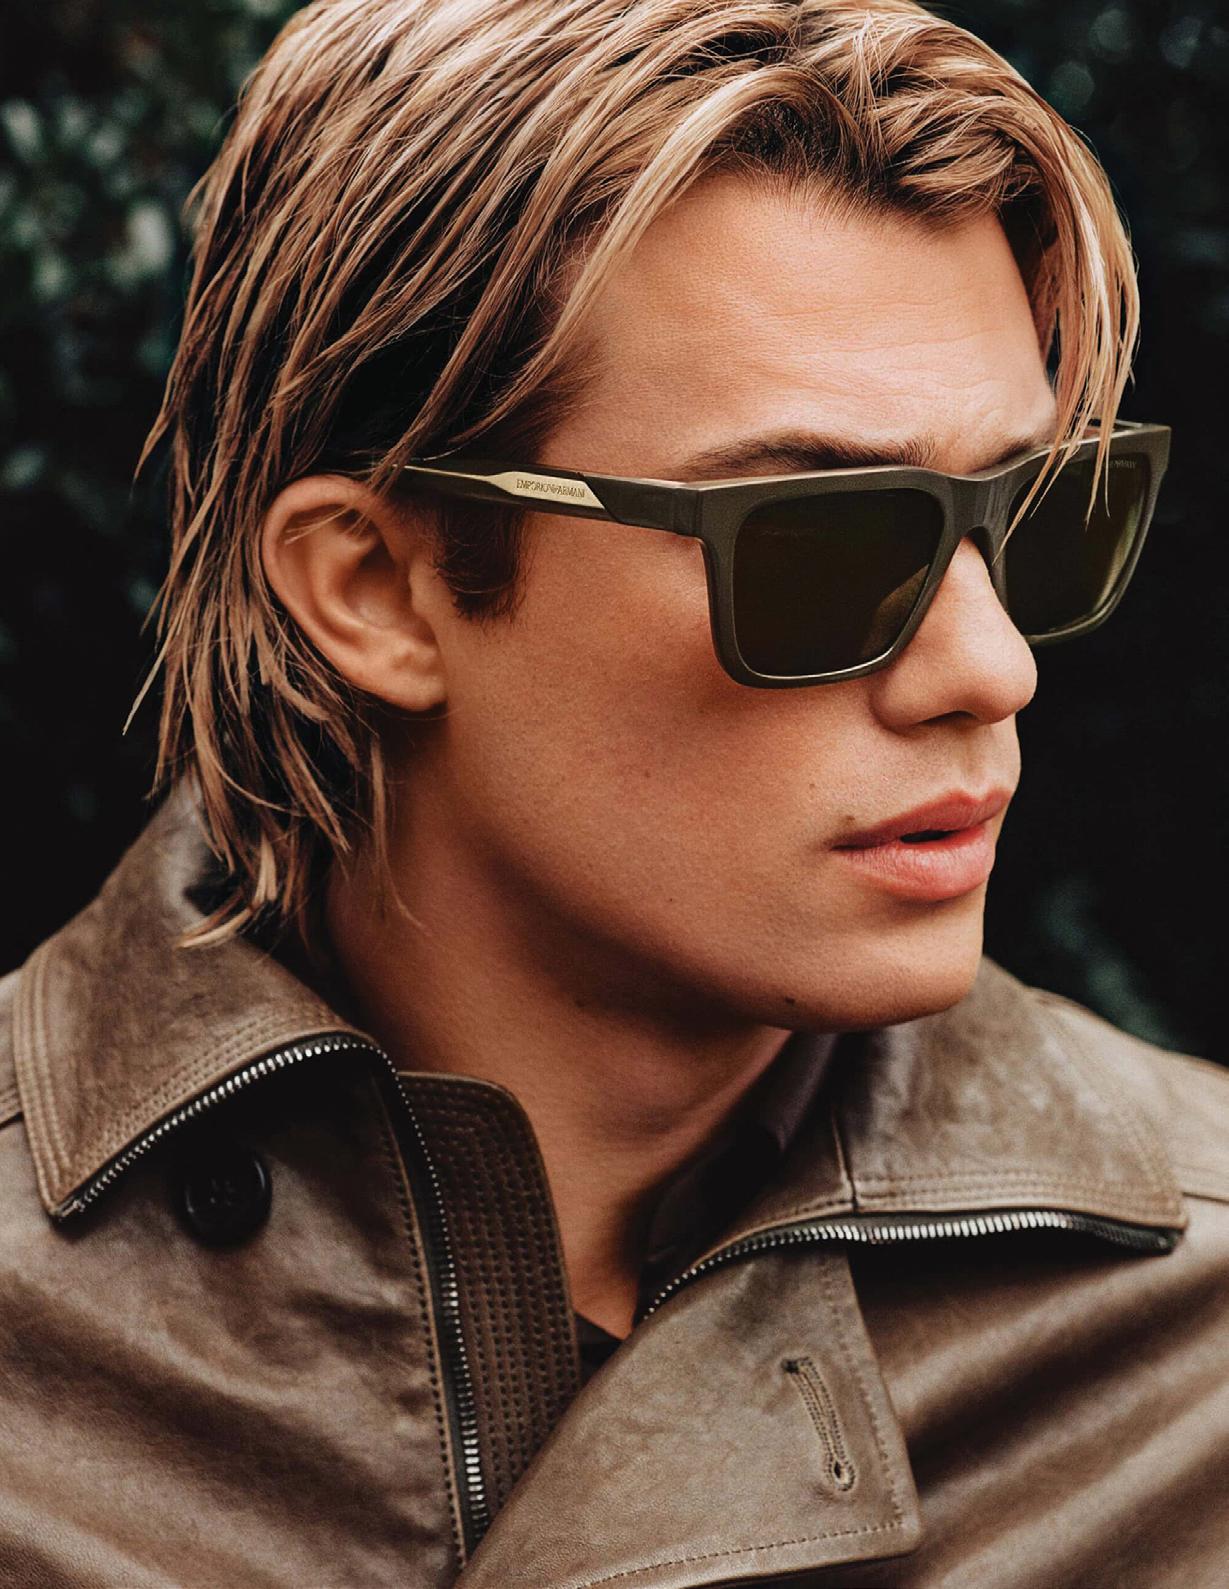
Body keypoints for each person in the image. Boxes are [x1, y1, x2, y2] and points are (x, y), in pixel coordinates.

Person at [2, 0, 1226, 1583]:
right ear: (376, 588)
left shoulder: (1194, 1344)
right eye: (820, 544)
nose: (989, 666)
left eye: (1038, 512)